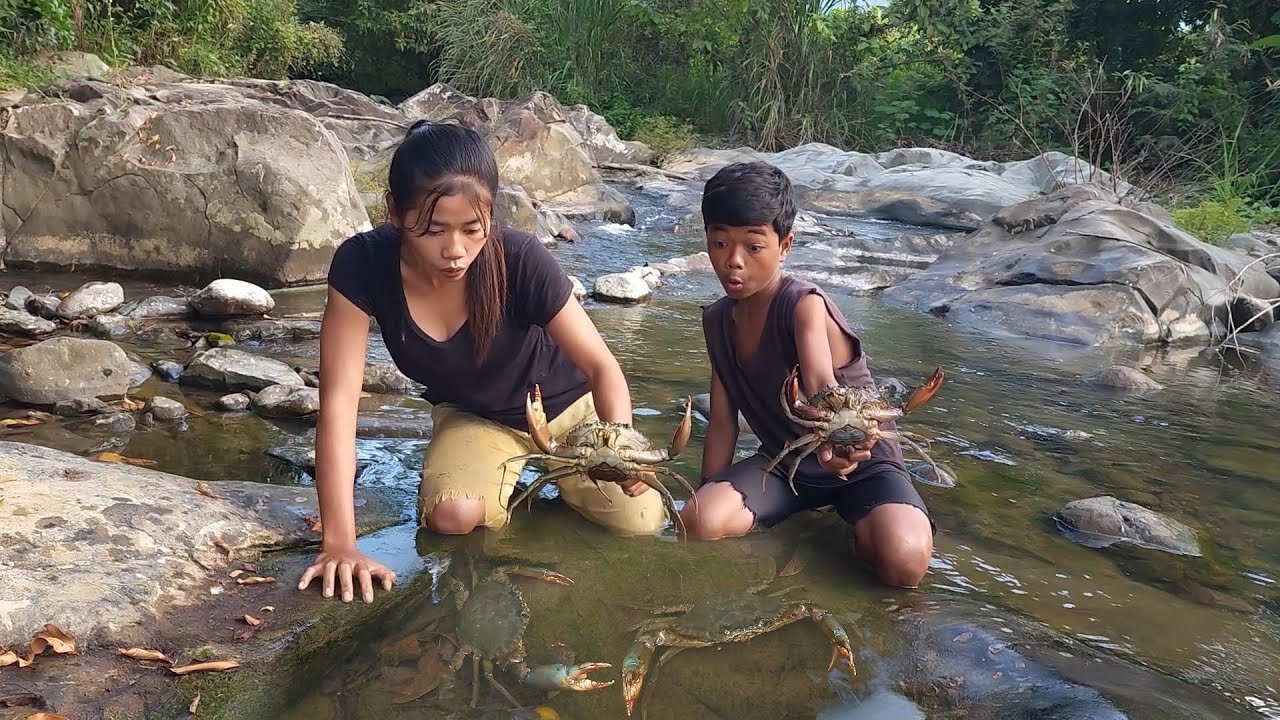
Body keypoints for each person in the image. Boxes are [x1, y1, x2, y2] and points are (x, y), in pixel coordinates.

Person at [297, 120, 665, 605]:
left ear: (491, 213)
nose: (455, 251)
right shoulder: (363, 265)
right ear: (393, 212)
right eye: (431, 230)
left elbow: (602, 367)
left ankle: (552, 493)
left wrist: (618, 449)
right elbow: (340, 405)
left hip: (572, 413)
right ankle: (513, 500)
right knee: (452, 518)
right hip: (479, 417)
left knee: (638, 523)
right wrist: (340, 543)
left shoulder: (521, 259)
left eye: (472, 229)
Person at [678, 161, 935, 588]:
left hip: (860, 462)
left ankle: (859, 528)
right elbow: (722, 420)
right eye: (720, 243)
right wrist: (707, 490)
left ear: (784, 246)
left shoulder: (804, 305)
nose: (733, 262)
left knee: (903, 564)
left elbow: (821, 389)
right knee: (698, 525)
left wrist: (841, 454)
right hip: (787, 462)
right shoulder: (717, 320)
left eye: (753, 247)